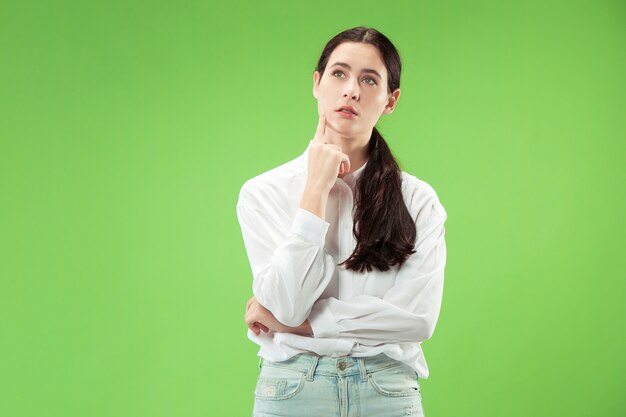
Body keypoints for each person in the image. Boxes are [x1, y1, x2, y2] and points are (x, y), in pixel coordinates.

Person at [236, 26, 447, 417]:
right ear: (317, 83)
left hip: (386, 390)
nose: (351, 89)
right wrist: (314, 191)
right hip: (292, 389)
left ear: (390, 100)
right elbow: (287, 303)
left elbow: (417, 320)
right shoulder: (263, 193)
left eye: (369, 79)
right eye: (339, 73)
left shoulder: (418, 201)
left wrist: (297, 328)